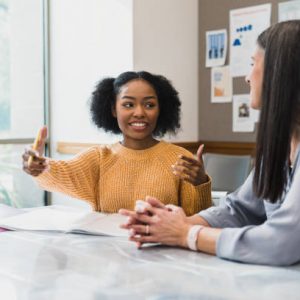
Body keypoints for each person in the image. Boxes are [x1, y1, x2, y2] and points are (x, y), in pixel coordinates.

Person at [120, 21, 300, 266]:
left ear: (278, 73)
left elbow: (282, 243)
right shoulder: (278, 147)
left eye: (252, 64)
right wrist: (167, 223)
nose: (247, 78)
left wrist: (187, 234)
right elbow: (241, 209)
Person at [22, 71, 212, 214]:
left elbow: (198, 220)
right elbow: (61, 172)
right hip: (107, 260)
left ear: (161, 110)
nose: (139, 112)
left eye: (149, 105)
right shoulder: (99, 158)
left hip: (164, 257)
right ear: (113, 110)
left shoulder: (181, 159)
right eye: (128, 104)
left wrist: (200, 184)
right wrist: (40, 166)